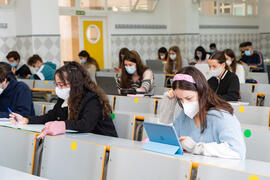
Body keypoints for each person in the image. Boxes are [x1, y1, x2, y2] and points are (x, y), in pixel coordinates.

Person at [9, 62, 118, 138]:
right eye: (57, 85)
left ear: (75, 83)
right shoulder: (64, 98)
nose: (59, 88)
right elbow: (50, 116)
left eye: (62, 84)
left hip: (103, 142)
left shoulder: (92, 99)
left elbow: (85, 124)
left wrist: (62, 124)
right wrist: (27, 120)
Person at [161, 66, 246, 159]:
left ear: (202, 91)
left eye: (189, 98)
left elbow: (237, 151)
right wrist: (168, 106)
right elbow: (166, 141)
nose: (185, 104)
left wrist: (197, 148)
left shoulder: (221, 116)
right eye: (180, 99)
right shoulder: (184, 115)